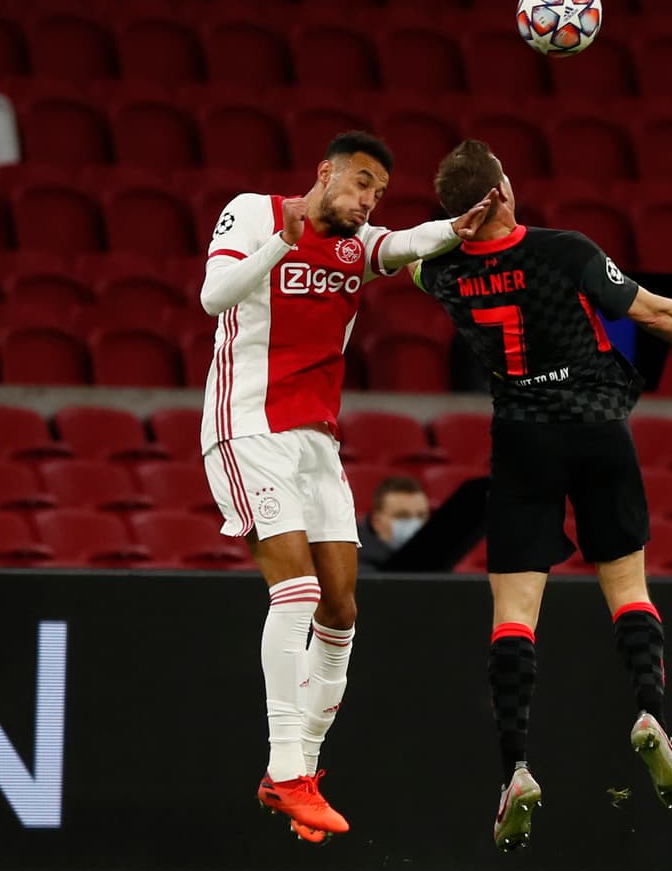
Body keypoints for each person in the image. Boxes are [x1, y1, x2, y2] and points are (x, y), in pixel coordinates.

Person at [413, 139, 672, 851]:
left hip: (521, 439)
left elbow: (398, 256)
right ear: (505, 194)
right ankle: (649, 713)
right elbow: (653, 314)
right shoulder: (563, 249)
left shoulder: (438, 272)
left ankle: (516, 764)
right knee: (628, 584)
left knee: (514, 610)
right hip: (597, 429)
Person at [199, 131, 495, 844]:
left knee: (342, 606)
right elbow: (214, 297)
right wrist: (282, 243)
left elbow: (402, 245)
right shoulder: (255, 213)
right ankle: (283, 769)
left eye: (379, 192)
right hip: (247, 426)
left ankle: (305, 764)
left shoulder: (358, 248)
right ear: (325, 173)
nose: (368, 200)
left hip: (315, 442)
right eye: (361, 182)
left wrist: (454, 230)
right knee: (295, 591)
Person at [356, 475, 431, 570]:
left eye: (421, 516)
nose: (415, 523)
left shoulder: (438, 558)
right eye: (403, 516)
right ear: (376, 522)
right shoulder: (357, 564)